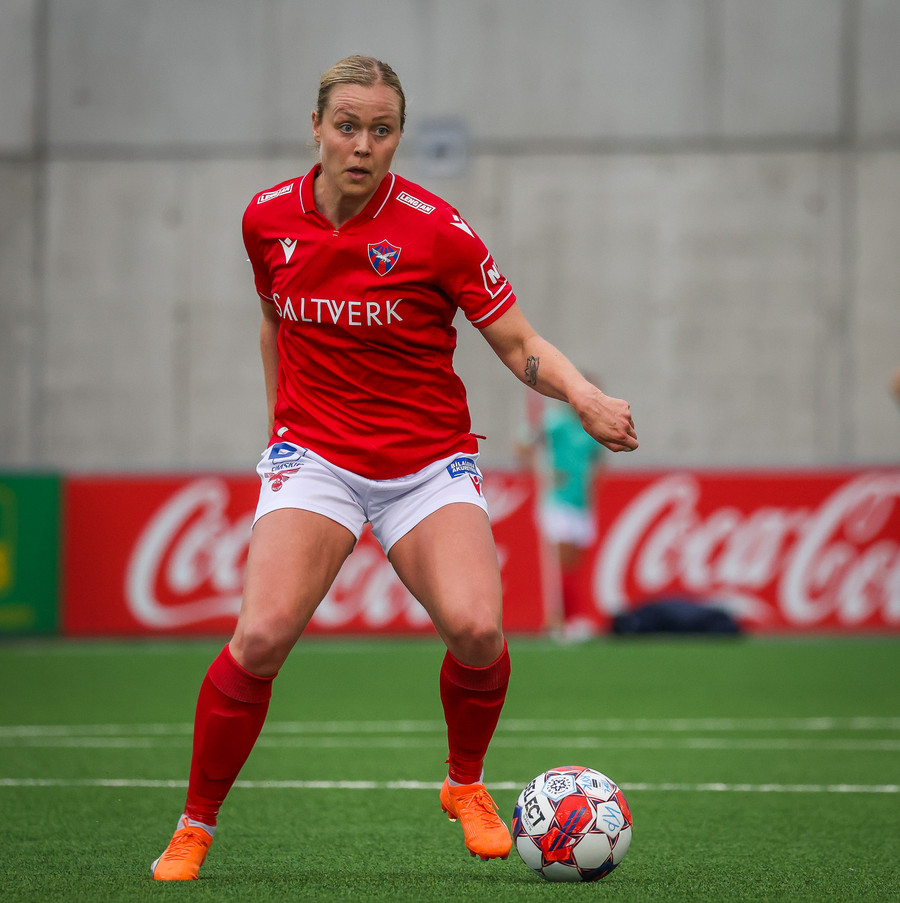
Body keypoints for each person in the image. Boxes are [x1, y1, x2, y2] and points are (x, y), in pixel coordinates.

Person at [151, 55, 637, 881]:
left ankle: (464, 783)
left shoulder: (438, 231)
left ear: (398, 137)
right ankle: (194, 824)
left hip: (426, 462)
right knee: (260, 635)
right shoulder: (265, 218)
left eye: (382, 130)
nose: (362, 144)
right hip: (316, 457)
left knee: (479, 631)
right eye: (347, 126)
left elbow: (518, 342)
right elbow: (274, 321)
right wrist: (278, 429)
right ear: (316, 127)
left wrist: (583, 396)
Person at [517, 389, 606, 641]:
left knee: (573, 566)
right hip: (558, 501)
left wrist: (591, 485)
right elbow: (524, 443)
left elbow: (597, 462)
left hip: (581, 503)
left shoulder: (592, 429)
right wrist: (542, 472)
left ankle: (566, 619)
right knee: (560, 564)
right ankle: (560, 620)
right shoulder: (556, 422)